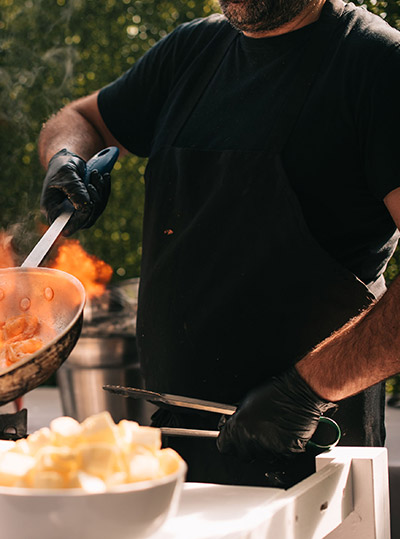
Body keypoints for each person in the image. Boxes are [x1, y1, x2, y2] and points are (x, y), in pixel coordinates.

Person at [38, 0, 400, 487]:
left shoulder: (377, 65)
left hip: (309, 440)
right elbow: (82, 118)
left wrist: (307, 391)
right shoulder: (192, 50)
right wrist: (67, 157)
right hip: (181, 444)